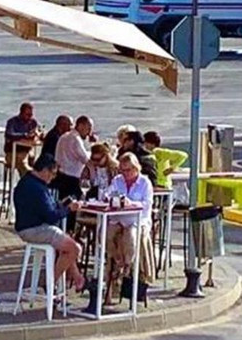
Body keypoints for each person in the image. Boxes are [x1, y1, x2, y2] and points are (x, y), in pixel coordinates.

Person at [13, 152, 87, 295]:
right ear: (45, 170)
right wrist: (68, 209)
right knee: (75, 249)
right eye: (53, 174)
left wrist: (60, 205)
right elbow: (51, 216)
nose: (53, 178)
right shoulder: (37, 188)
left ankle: (78, 278)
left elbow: (44, 208)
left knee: (67, 246)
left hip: (28, 226)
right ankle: (50, 282)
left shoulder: (27, 181)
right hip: (35, 229)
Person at [105, 152, 157, 305]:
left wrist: (131, 203)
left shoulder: (145, 183)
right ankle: (117, 260)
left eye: (128, 170)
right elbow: (108, 194)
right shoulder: (117, 180)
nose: (125, 174)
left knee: (131, 237)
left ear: (136, 168)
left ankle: (126, 267)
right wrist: (111, 198)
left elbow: (147, 204)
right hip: (118, 218)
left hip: (137, 220)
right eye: (122, 170)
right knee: (106, 234)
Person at [53, 115, 94, 203]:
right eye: (88, 129)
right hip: (72, 179)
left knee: (63, 204)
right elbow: (86, 159)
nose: (89, 133)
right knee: (73, 205)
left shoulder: (63, 136)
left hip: (60, 176)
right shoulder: (75, 139)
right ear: (80, 126)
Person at [4, 102, 42, 177]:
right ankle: (28, 180)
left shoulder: (33, 122)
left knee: (39, 164)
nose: (30, 117)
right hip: (13, 152)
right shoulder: (12, 122)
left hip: (28, 151)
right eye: (27, 115)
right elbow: (9, 134)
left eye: (31, 115)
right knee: (24, 167)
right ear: (21, 113)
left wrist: (38, 135)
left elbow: (37, 132)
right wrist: (24, 135)